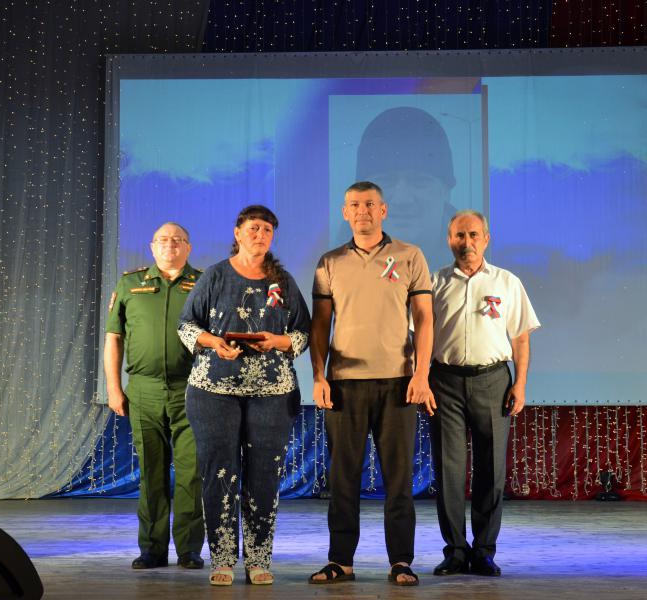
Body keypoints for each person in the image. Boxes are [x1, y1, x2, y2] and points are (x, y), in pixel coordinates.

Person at [309, 181, 436, 587]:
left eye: (369, 204)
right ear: (345, 213)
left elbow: (425, 318)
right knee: (342, 478)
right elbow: (320, 325)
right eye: (354, 205)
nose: (361, 211)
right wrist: (318, 376)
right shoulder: (330, 262)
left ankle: (401, 561)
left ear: (383, 210)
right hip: (344, 384)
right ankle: (340, 561)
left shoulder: (410, 255)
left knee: (398, 479)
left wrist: (421, 374)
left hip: (398, 382)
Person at [178, 205, 310, 586]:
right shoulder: (215, 276)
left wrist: (277, 341)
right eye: (253, 228)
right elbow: (186, 326)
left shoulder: (283, 282)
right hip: (213, 392)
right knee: (218, 472)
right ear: (238, 233)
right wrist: (214, 343)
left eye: (267, 230)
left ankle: (259, 559)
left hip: (272, 393)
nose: (260, 235)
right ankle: (222, 558)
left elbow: (302, 333)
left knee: (264, 475)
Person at [428, 210, 540, 577]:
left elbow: (520, 339)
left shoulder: (507, 282)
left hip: (493, 381)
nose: (467, 243)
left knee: (491, 469)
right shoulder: (434, 282)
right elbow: (419, 337)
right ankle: (455, 551)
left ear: (486, 239)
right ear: (449, 240)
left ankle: (484, 551)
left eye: (473, 235)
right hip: (444, 381)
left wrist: (520, 384)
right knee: (449, 469)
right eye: (459, 236)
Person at [104, 222, 205, 570]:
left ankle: (189, 549)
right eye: (163, 239)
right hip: (143, 391)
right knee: (151, 471)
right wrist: (113, 388)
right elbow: (113, 339)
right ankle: (152, 549)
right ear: (152, 247)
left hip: (192, 390)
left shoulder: (204, 283)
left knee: (191, 473)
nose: (170, 245)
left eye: (178, 240)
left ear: (188, 247)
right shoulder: (130, 284)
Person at [344, 106, 466, 272]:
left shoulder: (489, 273)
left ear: (446, 191)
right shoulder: (329, 271)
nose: (402, 199)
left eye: (419, 181)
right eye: (385, 182)